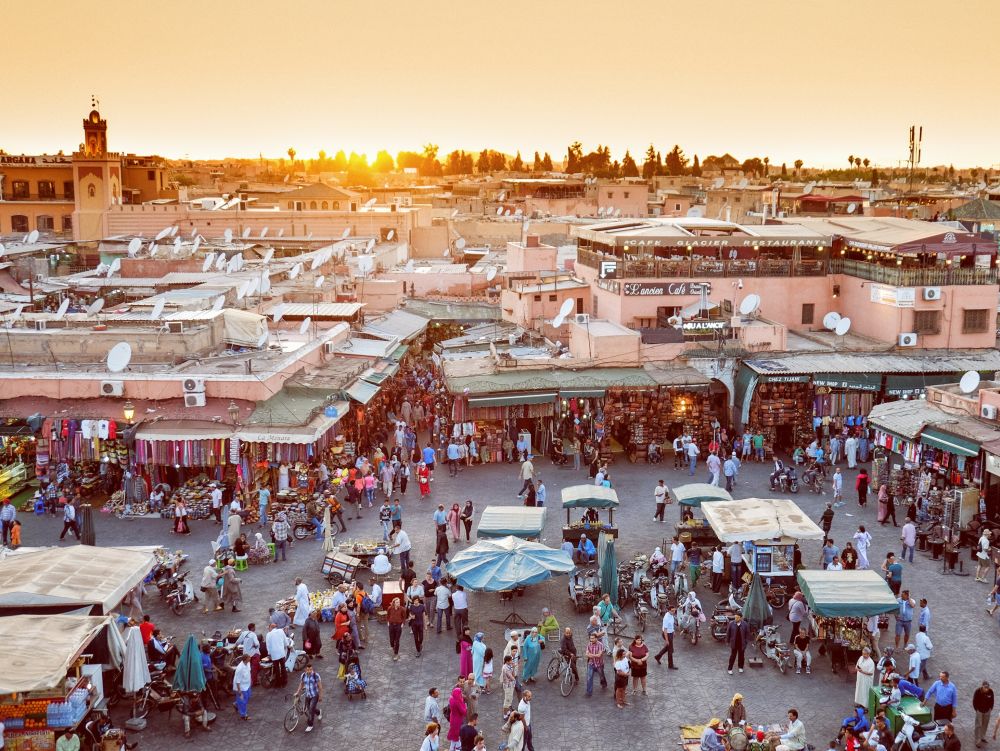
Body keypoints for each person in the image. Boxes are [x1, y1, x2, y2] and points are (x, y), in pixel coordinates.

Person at [294, 662, 322, 733]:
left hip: (314, 695)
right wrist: (297, 692)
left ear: (312, 669)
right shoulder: (303, 675)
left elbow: (320, 687)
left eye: (311, 669)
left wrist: (320, 696)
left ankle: (310, 725)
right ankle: (319, 712)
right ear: (305, 670)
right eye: (308, 670)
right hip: (307, 695)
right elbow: (301, 684)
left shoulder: (316, 675)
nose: (309, 671)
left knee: (311, 710)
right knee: (310, 709)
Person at [584, 632, 607, 697]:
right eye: (590, 638)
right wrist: (594, 655)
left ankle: (604, 683)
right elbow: (586, 654)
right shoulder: (589, 644)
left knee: (601, 676)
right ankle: (589, 692)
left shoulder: (600, 645)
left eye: (593, 638)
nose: (591, 640)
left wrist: (591, 655)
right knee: (589, 678)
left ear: (596, 638)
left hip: (599, 664)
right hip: (591, 663)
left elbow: (599, 655)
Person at [655, 604, 677, 668]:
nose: (673, 612)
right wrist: (667, 640)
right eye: (672, 611)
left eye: (674, 610)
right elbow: (665, 630)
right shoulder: (666, 618)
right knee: (670, 650)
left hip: (670, 633)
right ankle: (670, 665)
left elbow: (671, 625)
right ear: (669, 610)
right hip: (667, 634)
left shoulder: (671, 615)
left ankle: (657, 656)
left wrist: (673, 631)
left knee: (668, 647)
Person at [973, 680, 994, 747]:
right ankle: (977, 740)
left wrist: (990, 709)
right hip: (979, 711)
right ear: (982, 686)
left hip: (987, 711)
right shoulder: (977, 691)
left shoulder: (991, 691)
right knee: (978, 725)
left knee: (985, 724)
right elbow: (974, 701)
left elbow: (992, 701)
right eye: (985, 687)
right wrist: (977, 710)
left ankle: (982, 737)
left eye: (987, 687)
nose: (986, 689)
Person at [386, 596, 407, 661]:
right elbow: (388, 615)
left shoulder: (402, 609)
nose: (398, 603)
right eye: (397, 602)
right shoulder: (390, 608)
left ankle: (396, 654)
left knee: (397, 640)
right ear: (394, 603)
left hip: (398, 626)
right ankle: (393, 646)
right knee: (392, 640)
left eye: (399, 602)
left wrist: (403, 624)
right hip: (391, 625)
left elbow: (404, 617)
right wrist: (388, 622)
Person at [232, 654, 252, 720]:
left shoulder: (248, 663)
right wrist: (239, 690)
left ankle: (236, 704)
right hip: (241, 687)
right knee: (243, 701)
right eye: (249, 658)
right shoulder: (240, 668)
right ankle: (243, 715)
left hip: (247, 685)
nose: (250, 658)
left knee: (248, 696)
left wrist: (250, 680)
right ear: (245, 659)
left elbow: (249, 672)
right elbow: (237, 680)